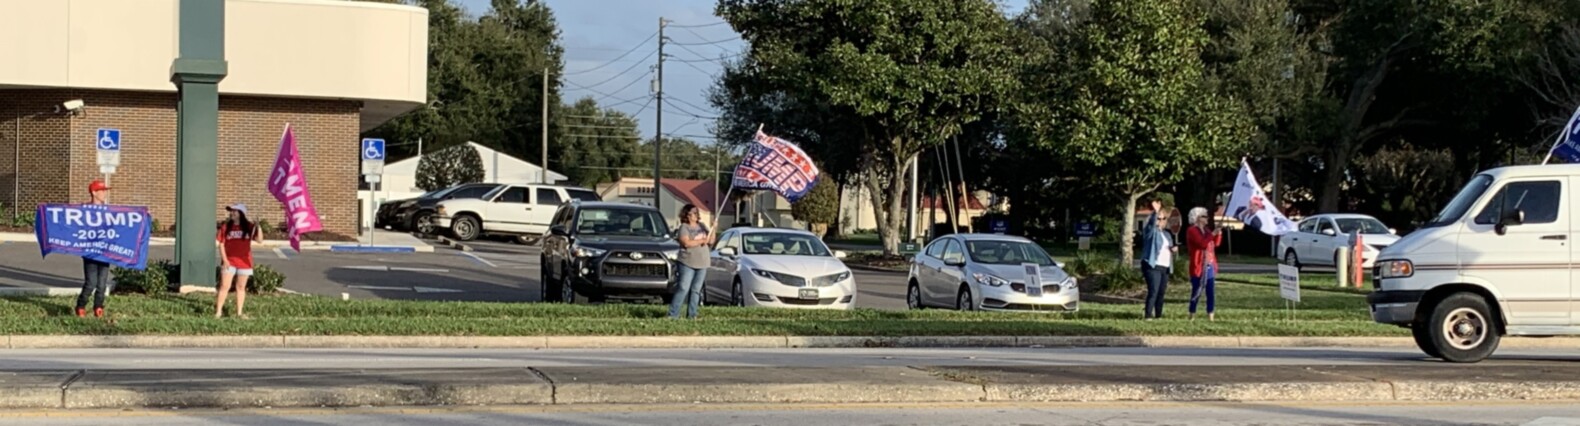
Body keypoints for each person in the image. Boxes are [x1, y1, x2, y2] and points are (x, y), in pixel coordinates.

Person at [215, 203, 262, 319]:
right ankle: (218, 312)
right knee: (224, 286)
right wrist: (225, 260)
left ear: (241, 214)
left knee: (241, 287)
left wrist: (259, 227)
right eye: (231, 211)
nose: (232, 213)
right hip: (229, 261)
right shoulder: (226, 227)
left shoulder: (249, 227)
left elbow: (259, 240)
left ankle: (239, 313)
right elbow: (221, 244)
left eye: (234, 211)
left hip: (244, 262)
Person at [75, 180, 113, 318]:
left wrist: (143, 214)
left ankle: (98, 307)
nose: (104, 193)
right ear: (94, 192)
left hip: (104, 251)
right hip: (90, 252)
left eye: (105, 191)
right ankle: (80, 306)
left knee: (102, 285)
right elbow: (66, 216)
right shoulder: (84, 210)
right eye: (102, 191)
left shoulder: (109, 211)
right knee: (91, 283)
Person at [669, 204, 712, 319]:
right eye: (693, 213)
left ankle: (692, 314)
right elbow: (686, 243)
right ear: (687, 215)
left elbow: (711, 240)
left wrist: (714, 228)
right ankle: (673, 314)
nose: (695, 215)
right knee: (683, 287)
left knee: (696, 290)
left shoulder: (702, 226)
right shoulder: (684, 227)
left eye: (696, 212)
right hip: (687, 262)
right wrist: (701, 241)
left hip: (702, 262)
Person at [1139, 198, 1176, 320]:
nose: (1161, 221)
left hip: (1164, 267)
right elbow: (1150, 225)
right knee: (1153, 291)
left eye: (1163, 218)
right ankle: (1148, 315)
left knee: (1161, 292)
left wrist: (1173, 249)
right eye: (1159, 218)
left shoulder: (1167, 234)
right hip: (1152, 265)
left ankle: (1158, 315)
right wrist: (1156, 212)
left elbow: (1169, 247)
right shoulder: (1150, 232)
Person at [1186, 207, 1222, 321]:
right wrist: (1213, 234)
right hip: (1198, 265)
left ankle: (1210, 314)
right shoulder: (1192, 231)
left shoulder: (1206, 230)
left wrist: (1218, 234)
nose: (1207, 218)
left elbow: (1214, 244)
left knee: (1210, 291)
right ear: (1197, 218)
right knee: (1196, 290)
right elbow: (1202, 243)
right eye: (1204, 216)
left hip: (1209, 263)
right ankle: (1192, 313)